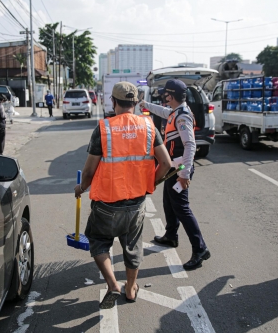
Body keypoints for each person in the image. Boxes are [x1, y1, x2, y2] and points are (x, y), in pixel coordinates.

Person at [74, 82, 171, 309]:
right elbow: (165, 163)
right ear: (135, 103)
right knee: (133, 246)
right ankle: (130, 288)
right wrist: (151, 183)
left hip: (106, 204)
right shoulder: (148, 127)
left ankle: (112, 284)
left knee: (98, 241)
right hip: (136, 203)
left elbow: (88, 171)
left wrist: (81, 188)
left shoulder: (104, 129)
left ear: (113, 102)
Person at [139, 79, 211, 271]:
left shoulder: (182, 117)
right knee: (169, 203)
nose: (163, 96)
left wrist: (185, 174)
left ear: (171, 95)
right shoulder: (175, 111)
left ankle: (200, 249)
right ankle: (171, 235)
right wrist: (146, 105)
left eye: (165, 94)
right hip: (173, 166)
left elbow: (190, 145)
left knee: (182, 208)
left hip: (180, 169)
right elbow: (163, 112)